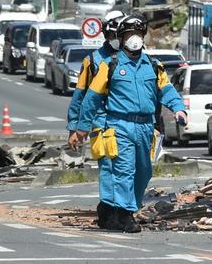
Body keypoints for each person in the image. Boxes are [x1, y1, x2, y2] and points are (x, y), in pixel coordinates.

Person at [75, 15, 187, 232]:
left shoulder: (154, 66)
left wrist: (179, 108)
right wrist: (82, 126)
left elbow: (167, 90)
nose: (134, 38)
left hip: (146, 127)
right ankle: (125, 215)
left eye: (137, 34)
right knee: (124, 170)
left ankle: (121, 210)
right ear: (121, 37)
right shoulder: (110, 65)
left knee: (144, 172)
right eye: (129, 34)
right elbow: (92, 98)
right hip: (119, 125)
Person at [67, 10, 124, 229]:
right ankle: (109, 210)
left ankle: (124, 208)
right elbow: (81, 95)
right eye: (114, 34)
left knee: (130, 169)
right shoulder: (92, 61)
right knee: (109, 168)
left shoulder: (137, 58)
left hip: (129, 124)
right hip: (102, 124)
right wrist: (75, 127)